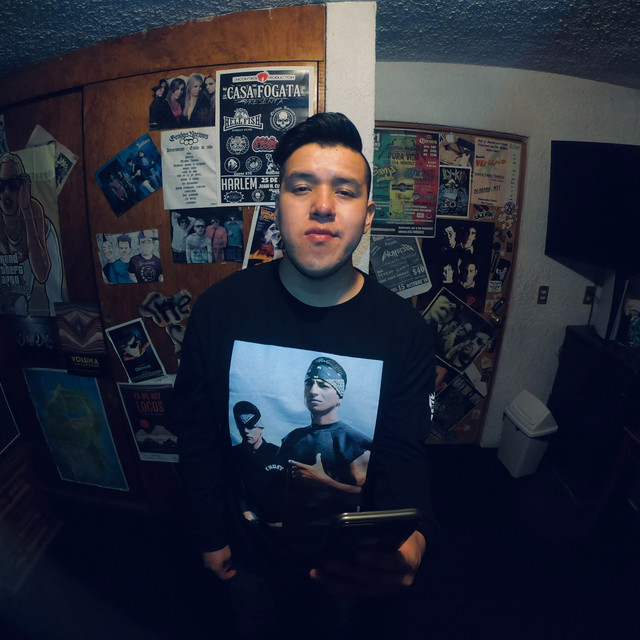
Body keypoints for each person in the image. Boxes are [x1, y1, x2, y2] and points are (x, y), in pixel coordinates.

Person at [171, 112, 436, 638]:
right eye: (301, 187)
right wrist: (208, 534)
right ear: (276, 207)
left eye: (345, 191)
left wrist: (416, 537)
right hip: (248, 554)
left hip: (345, 564)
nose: (322, 205)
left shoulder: (405, 331)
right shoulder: (220, 309)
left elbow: (404, 454)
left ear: (367, 215)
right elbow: (197, 436)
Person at [279, 356, 372, 526]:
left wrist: (324, 482)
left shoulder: (354, 443)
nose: (313, 390)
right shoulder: (292, 438)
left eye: (323, 385)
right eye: (309, 383)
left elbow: (366, 498)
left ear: (339, 396)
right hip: (290, 532)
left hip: (333, 536)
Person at [0, 152, 63, 315]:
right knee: (19, 303)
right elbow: (11, 268)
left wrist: (26, 210)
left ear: (22, 186)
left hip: (42, 240)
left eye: (13, 184)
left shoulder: (34, 209)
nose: (6, 192)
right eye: (0, 185)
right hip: (20, 254)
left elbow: (42, 275)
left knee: (55, 296)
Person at [232, 401, 284, 524]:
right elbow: (230, 488)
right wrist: (244, 510)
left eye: (250, 427)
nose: (245, 431)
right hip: (244, 523)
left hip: (278, 522)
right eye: (241, 427)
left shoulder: (278, 453)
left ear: (261, 428)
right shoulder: (232, 455)